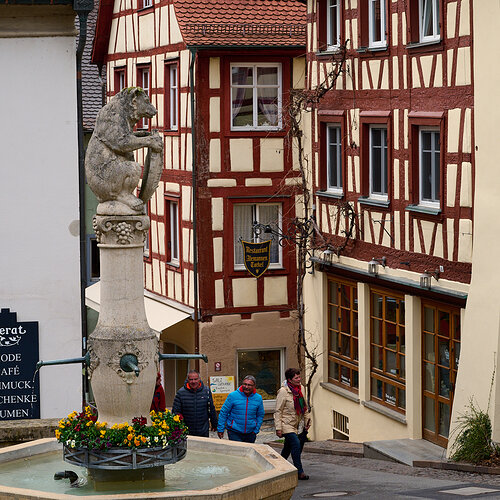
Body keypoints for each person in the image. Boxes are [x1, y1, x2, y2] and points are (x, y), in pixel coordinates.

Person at [274, 368, 311, 480]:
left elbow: (304, 407)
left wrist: (308, 421)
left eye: (299, 377)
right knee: (296, 444)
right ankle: (299, 471)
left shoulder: (301, 389)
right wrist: (278, 428)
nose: (299, 379)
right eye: (296, 378)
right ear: (290, 379)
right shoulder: (283, 391)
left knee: (287, 448)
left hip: (296, 424)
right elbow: (278, 410)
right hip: (286, 423)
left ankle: (277, 468)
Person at [217, 375, 264, 443]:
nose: (246, 387)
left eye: (249, 385)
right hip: (234, 431)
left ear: (254, 386)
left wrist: (256, 430)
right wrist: (220, 429)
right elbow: (223, 412)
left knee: (248, 452)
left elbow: (260, 415)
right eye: (244, 384)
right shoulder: (233, 396)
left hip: (250, 432)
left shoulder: (258, 398)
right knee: (237, 452)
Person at [172, 369, 218, 437]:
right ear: (188, 380)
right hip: (187, 432)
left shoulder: (206, 391)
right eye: (191, 379)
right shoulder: (180, 393)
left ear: (199, 379)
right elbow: (175, 412)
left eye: (195, 379)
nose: (193, 382)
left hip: (203, 430)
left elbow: (211, 409)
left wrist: (215, 424)